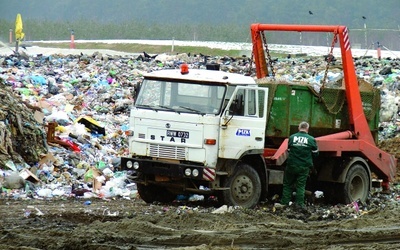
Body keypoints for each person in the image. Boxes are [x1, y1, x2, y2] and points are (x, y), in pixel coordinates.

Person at [278, 121, 319, 210]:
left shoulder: (292, 137)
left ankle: (284, 203)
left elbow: (288, 150)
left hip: (291, 165)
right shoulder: (311, 139)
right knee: (300, 186)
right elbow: (316, 154)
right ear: (307, 129)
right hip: (304, 167)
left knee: (287, 184)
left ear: (298, 128)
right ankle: (299, 205)